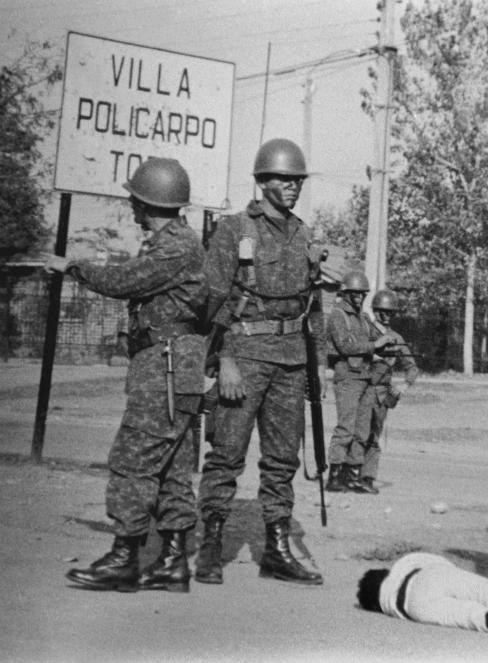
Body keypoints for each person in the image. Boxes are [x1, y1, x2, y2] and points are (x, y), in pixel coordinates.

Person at [51, 158, 205, 593]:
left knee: (133, 458)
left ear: (146, 202)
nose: (132, 208)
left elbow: (124, 281)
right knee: (171, 467)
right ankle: (173, 562)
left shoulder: (176, 246)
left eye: (135, 200)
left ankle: (124, 558)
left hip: (166, 367)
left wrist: (72, 267)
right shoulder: (171, 244)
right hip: (171, 366)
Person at [195, 138, 327, 585]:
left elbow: (315, 308)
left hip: (291, 361)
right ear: (262, 181)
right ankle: (210, 545)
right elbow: (213, 298)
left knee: (282, 460)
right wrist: (223, 359)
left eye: (297, 181)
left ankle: (277, 548)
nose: (292, 188)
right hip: (245, 356)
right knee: (227, 454)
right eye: (284, 180)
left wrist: (318, 367)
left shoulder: (305, 233)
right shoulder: (235, 230)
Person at [325, 271, 396, 493]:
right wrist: (375, 346)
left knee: (361, 430)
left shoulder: (362, 317)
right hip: (347, 376)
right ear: (345, 293)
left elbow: (370, 340)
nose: (359, 297)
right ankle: (334, 476)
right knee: (345, 428)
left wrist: (385, 346)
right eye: (354, 293)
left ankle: (353, 474)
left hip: (365, 377)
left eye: (362, 294)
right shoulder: (338, 315)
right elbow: (346, 346)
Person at [357, 552, 488, 636]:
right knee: (478, 588)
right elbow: (430, 560)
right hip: (425, 575)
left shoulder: (385, 603)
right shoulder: (400, 570)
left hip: (411, 606)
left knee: (461, 614)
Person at [358, 288, 420, 494]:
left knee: (374, 435)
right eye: (382, 312)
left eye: (390, 313)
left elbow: (412, 366)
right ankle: (348, 473)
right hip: (363, 387)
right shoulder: (366, 331)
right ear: (375, 311)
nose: (386, 316)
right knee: (359, 432)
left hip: (383, 390)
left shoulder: (396, 337)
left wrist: (405, 384)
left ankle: (367, 476)